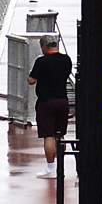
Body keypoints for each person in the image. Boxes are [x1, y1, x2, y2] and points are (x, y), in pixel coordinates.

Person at [27, 36, 72, 179]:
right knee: (60, 135)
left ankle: (51, 168)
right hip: (62, 101)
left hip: (46, 103)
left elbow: (31, 80)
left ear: (43, 47)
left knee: (49, 136)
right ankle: (60, 167)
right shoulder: (66, 60)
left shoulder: (41, 61)